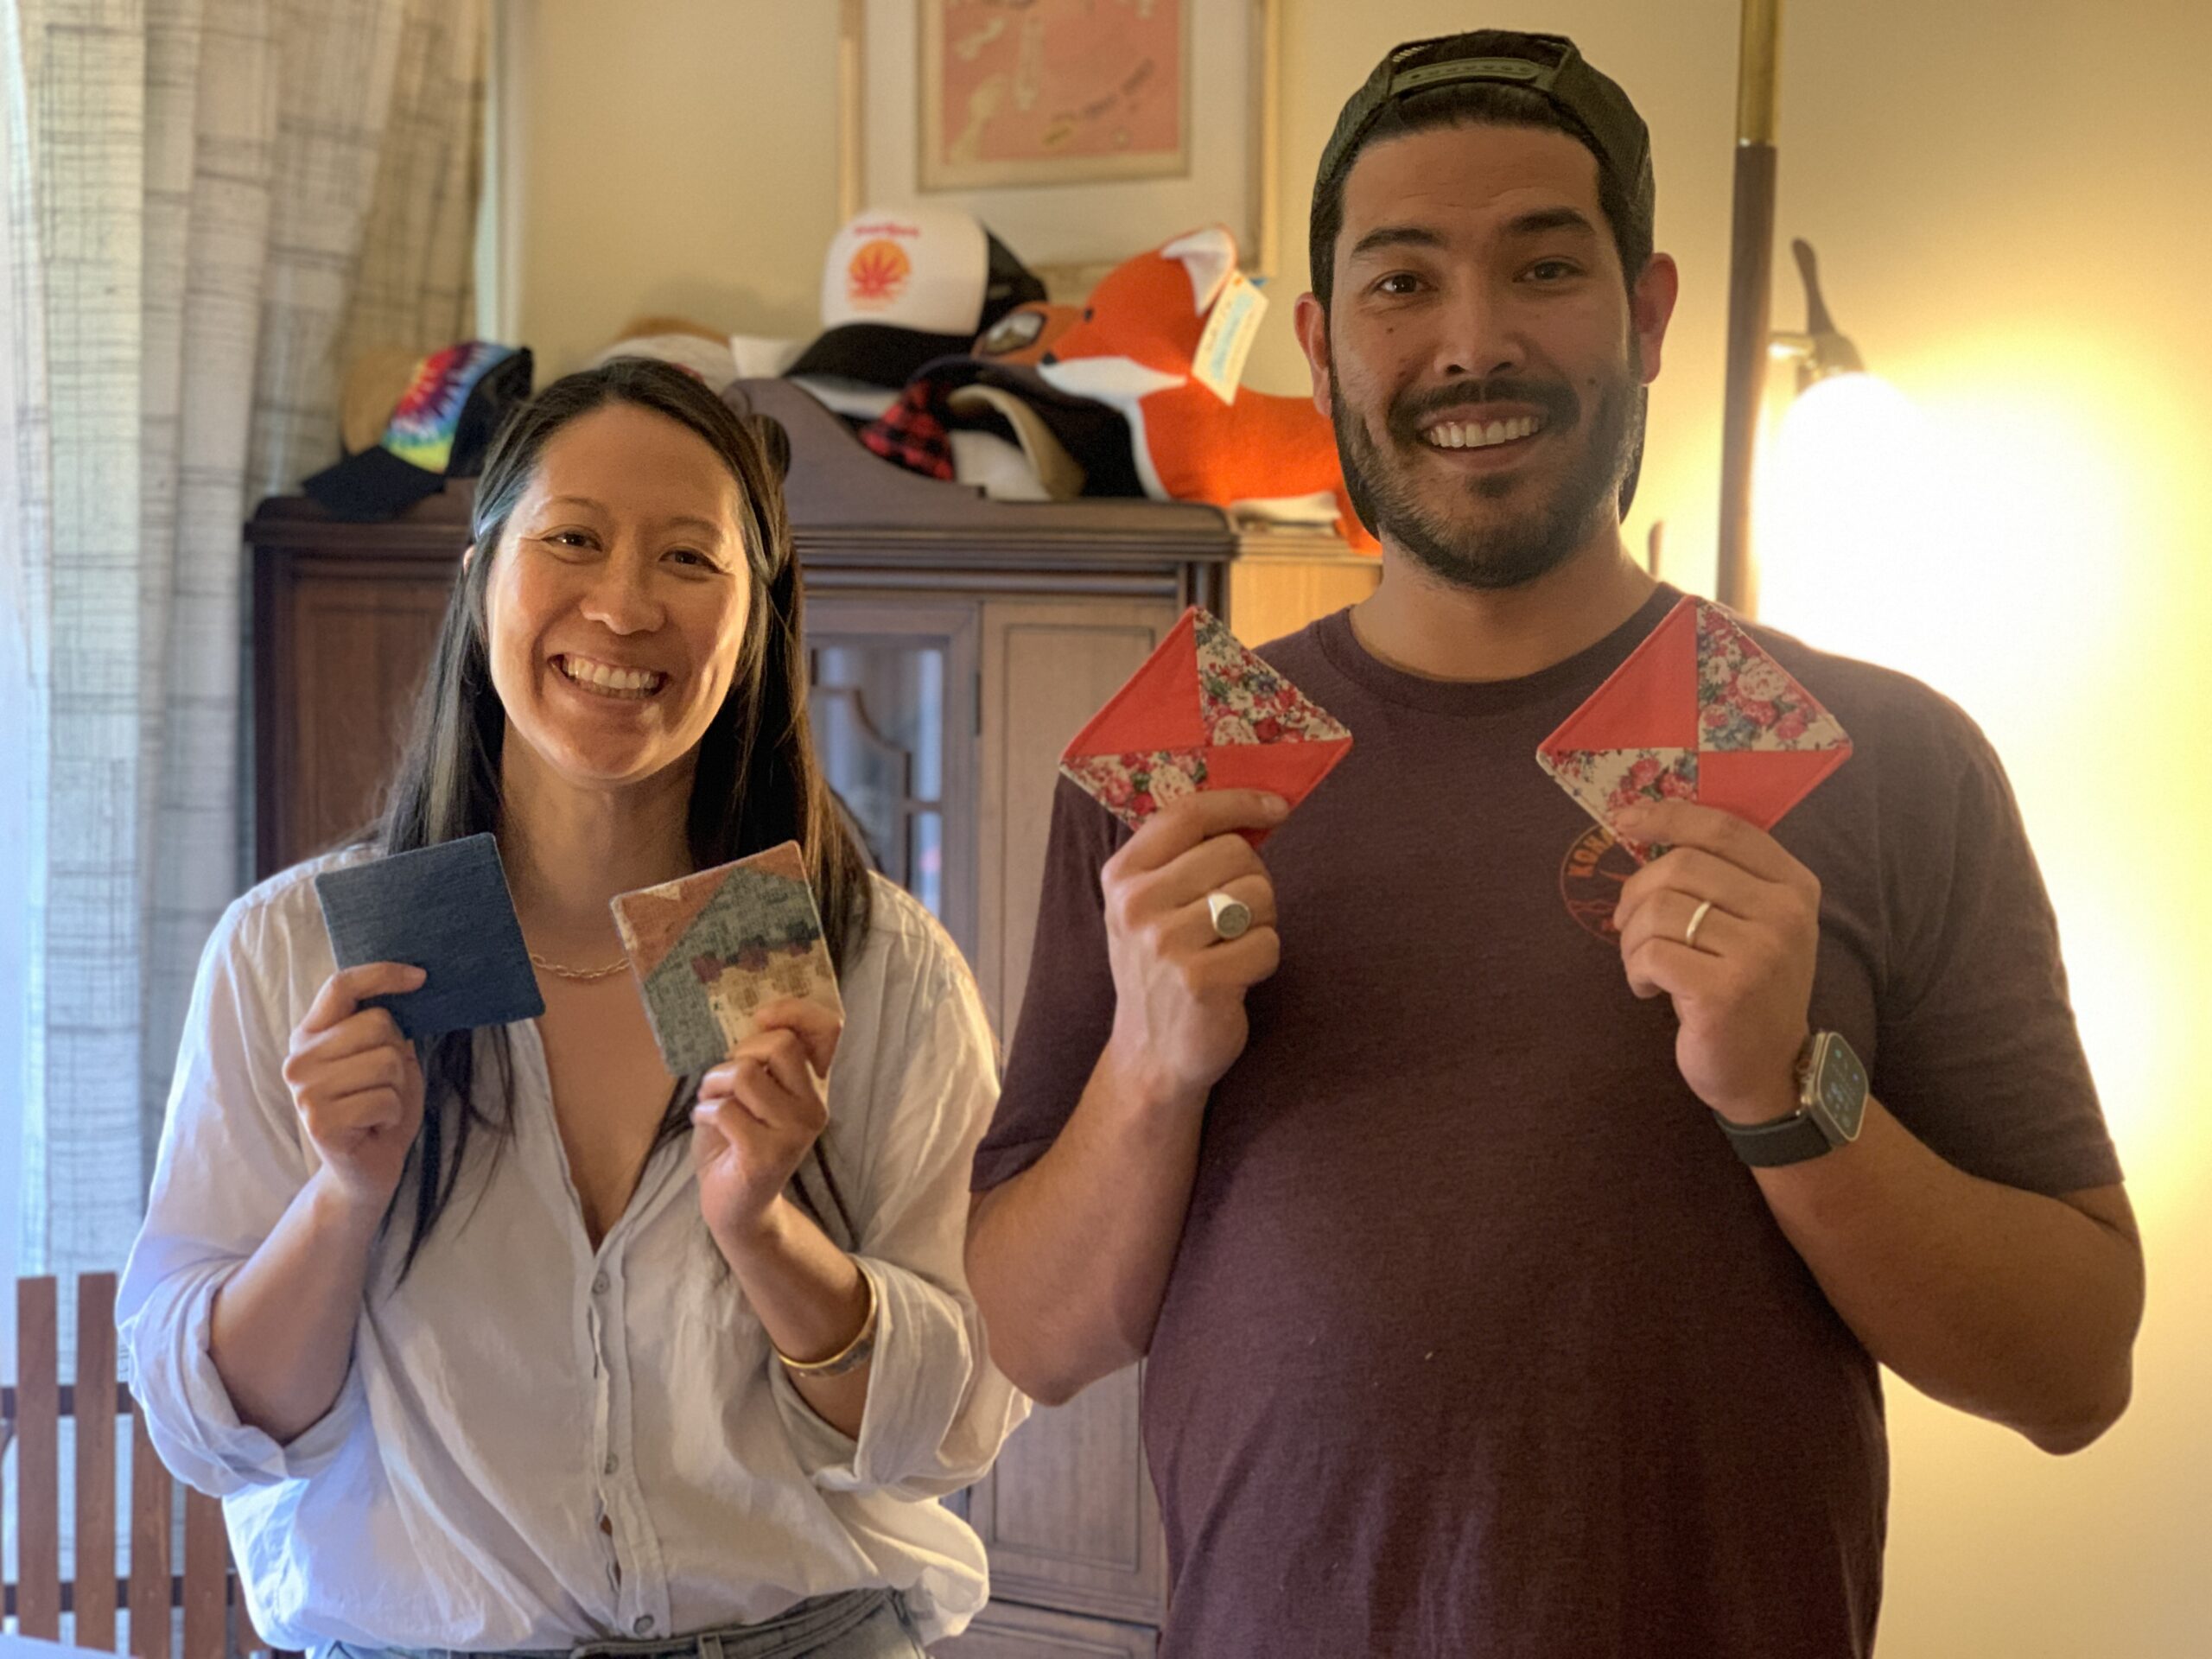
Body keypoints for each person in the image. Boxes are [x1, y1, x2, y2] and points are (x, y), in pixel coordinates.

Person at [963, 29, 2144, 1659]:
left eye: (1543, 266)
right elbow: (1031, 1334)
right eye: (1401, 284)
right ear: (1321, 342)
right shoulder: (1184, 766)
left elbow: (2075, 1370)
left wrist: (1791, 1092)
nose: (1473, 342)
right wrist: (1150, 1074)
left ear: (1648, 313)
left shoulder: (1891, 758)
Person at [119, 359, 1024, 1658]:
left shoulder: (869, 962)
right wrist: (342, 1196)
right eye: (575, 539)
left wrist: (763, 1231)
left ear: (758, 616)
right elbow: (218, 1431)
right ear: (484, 575)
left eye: (689, 560)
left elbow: (957, 1424)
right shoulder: (300, 953)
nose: (622, 605)